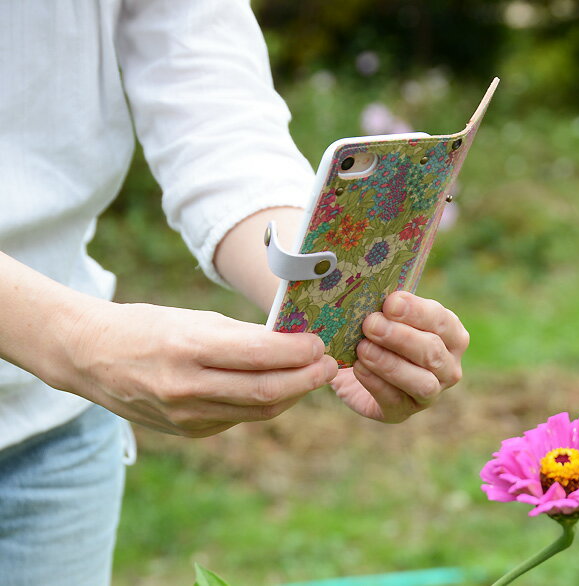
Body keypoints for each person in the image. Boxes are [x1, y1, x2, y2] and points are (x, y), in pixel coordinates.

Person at [0, 2, 470, 585]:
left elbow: (210, 107)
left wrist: (329, 291)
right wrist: (72, 339)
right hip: (67, 374)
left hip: (55, 433)